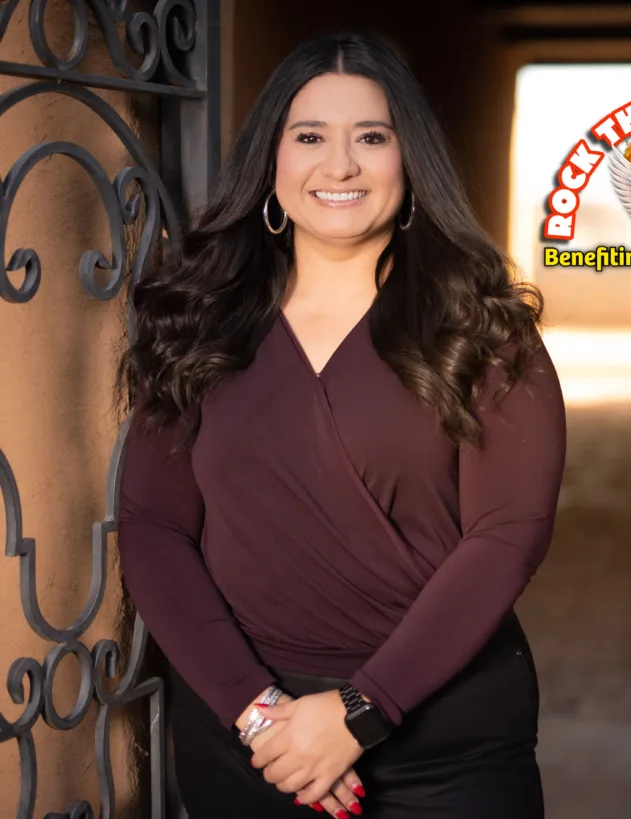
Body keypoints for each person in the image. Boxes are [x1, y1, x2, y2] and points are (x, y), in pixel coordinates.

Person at [114, 30, 566, 819]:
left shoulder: (483, 330)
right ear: (272, 160)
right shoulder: (199, 318)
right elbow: (153, 526)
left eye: (372, 138)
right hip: (248, 741)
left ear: (409, 160)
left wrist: (362, 709)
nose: (341, 165)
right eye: (311, 137)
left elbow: (508, 535)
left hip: (444, 748)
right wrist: (261, 715)